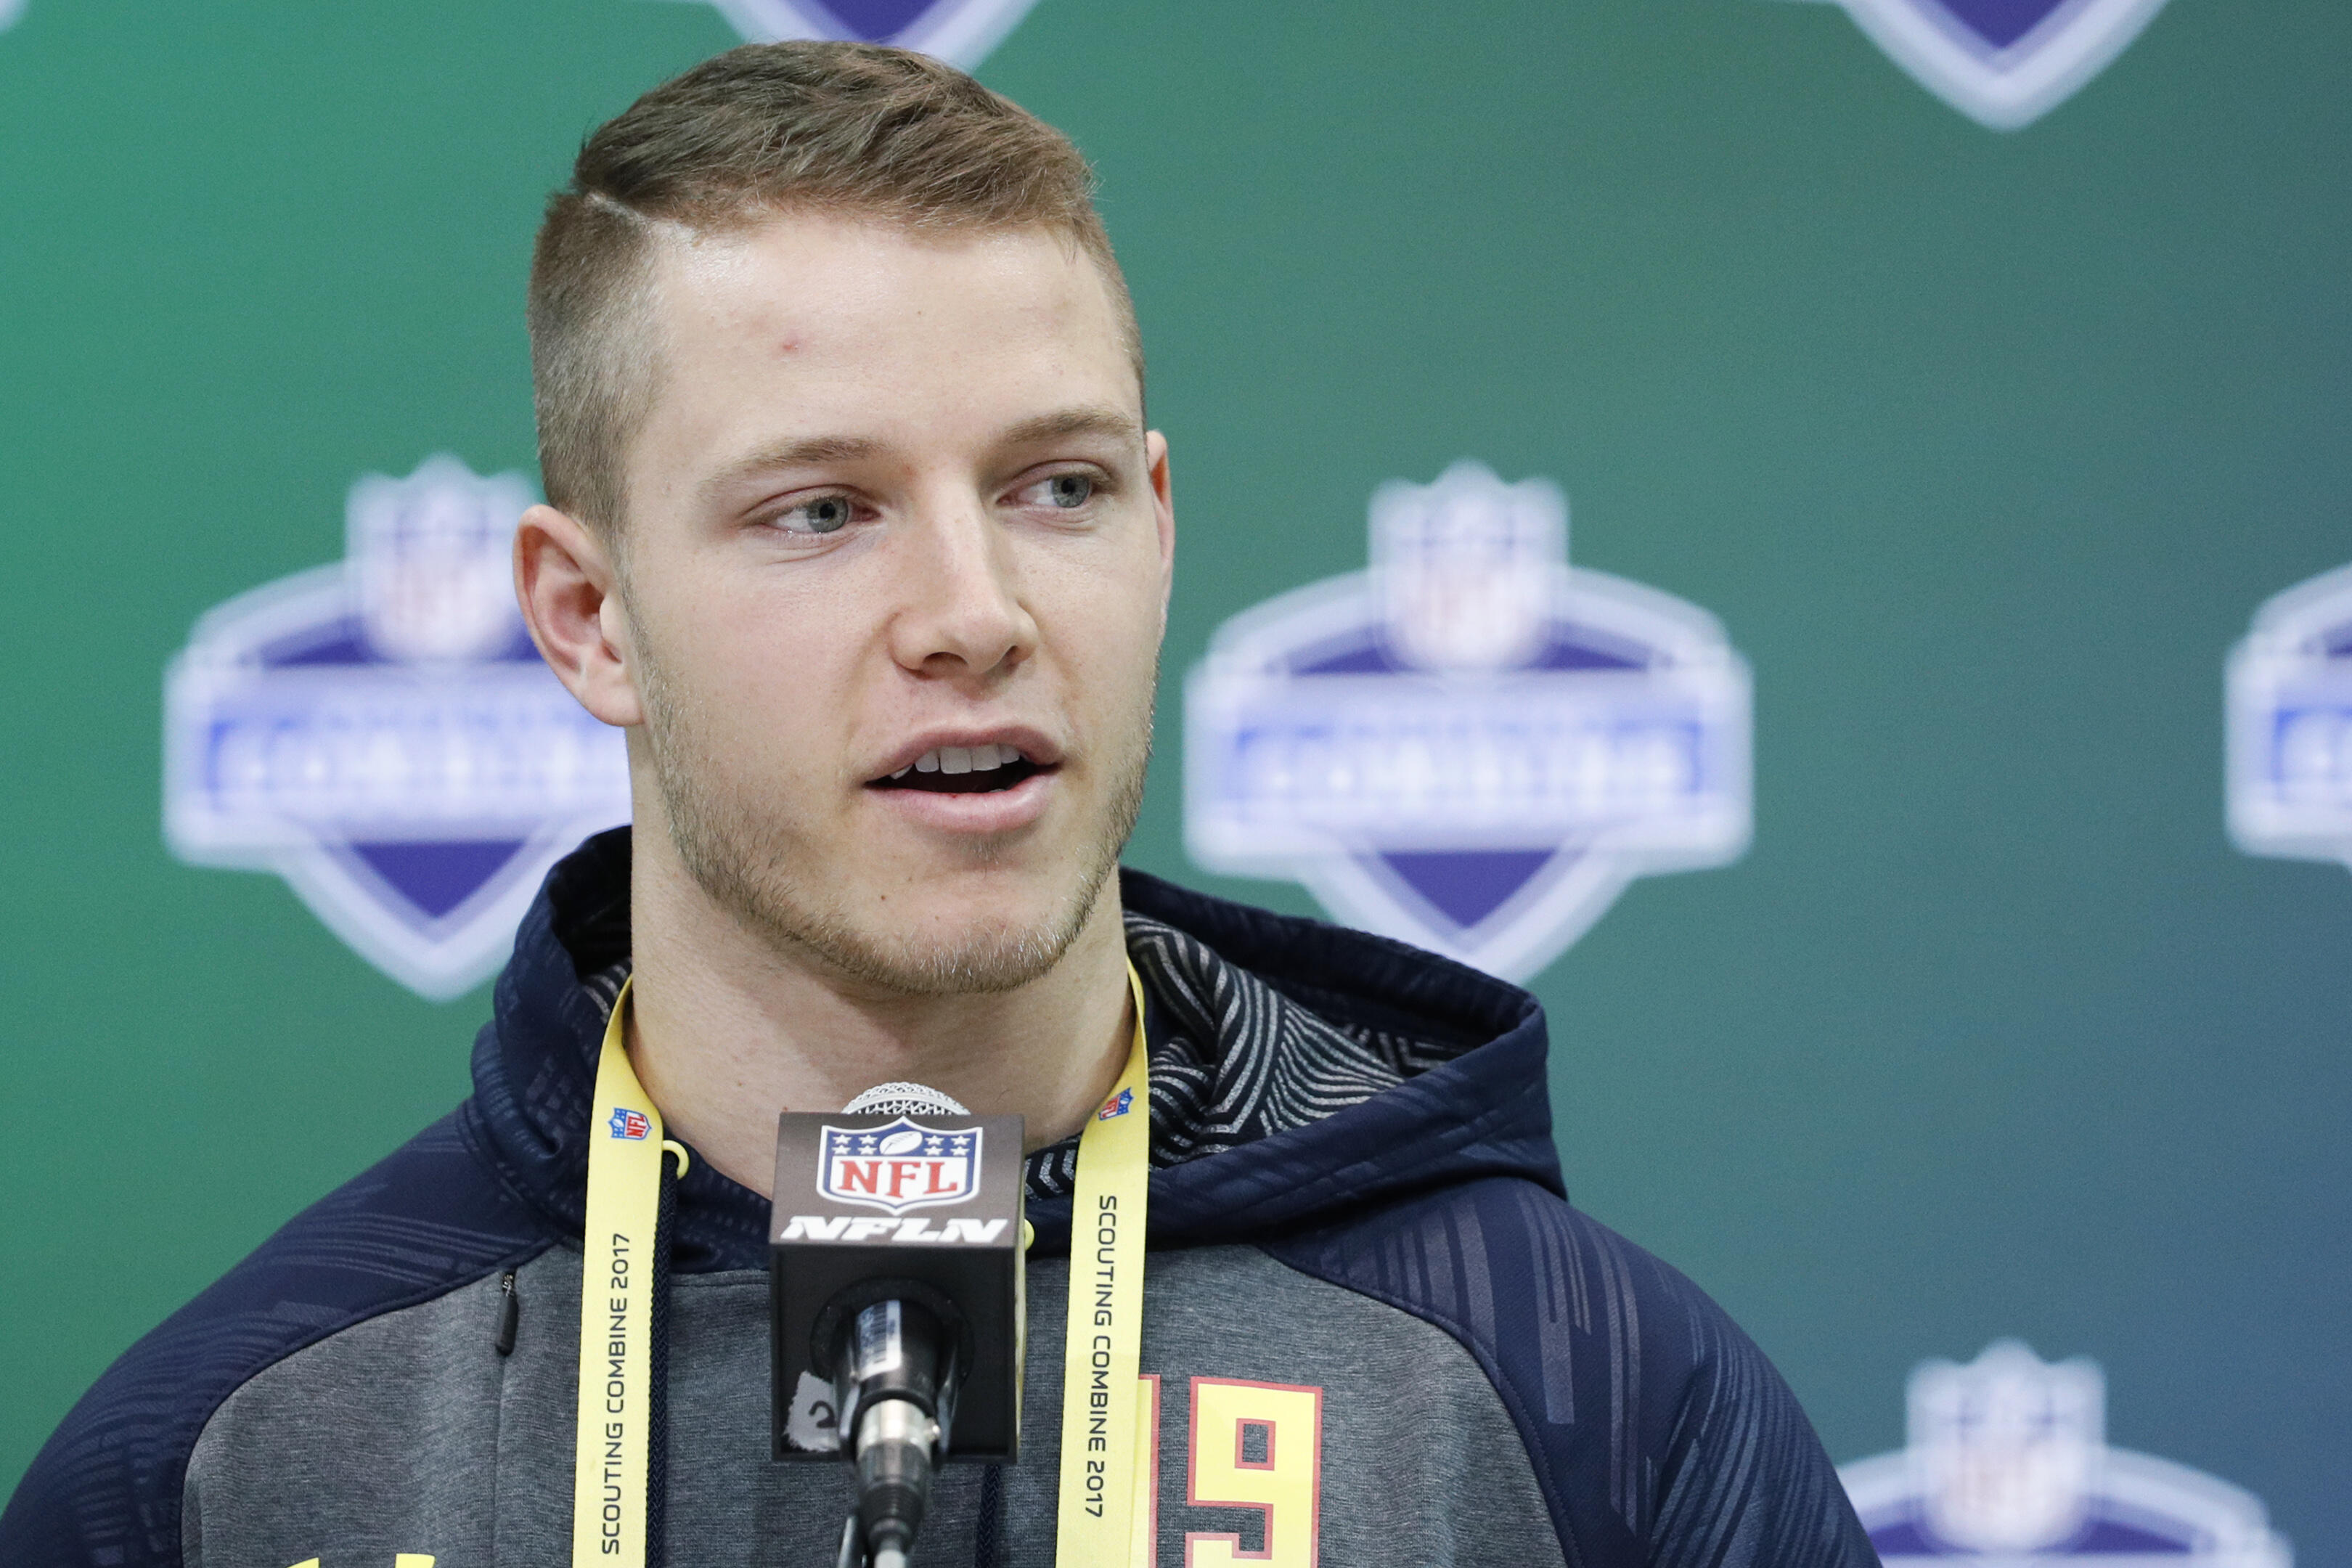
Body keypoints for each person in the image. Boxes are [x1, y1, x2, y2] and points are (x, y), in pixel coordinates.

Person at [1, 41, 1879, 1568]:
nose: (975, 616)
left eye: (1056, 489)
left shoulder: (1586, 1402)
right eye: (823, 511)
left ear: (1161, 519)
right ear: (589, 619)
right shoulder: (233, 1466)